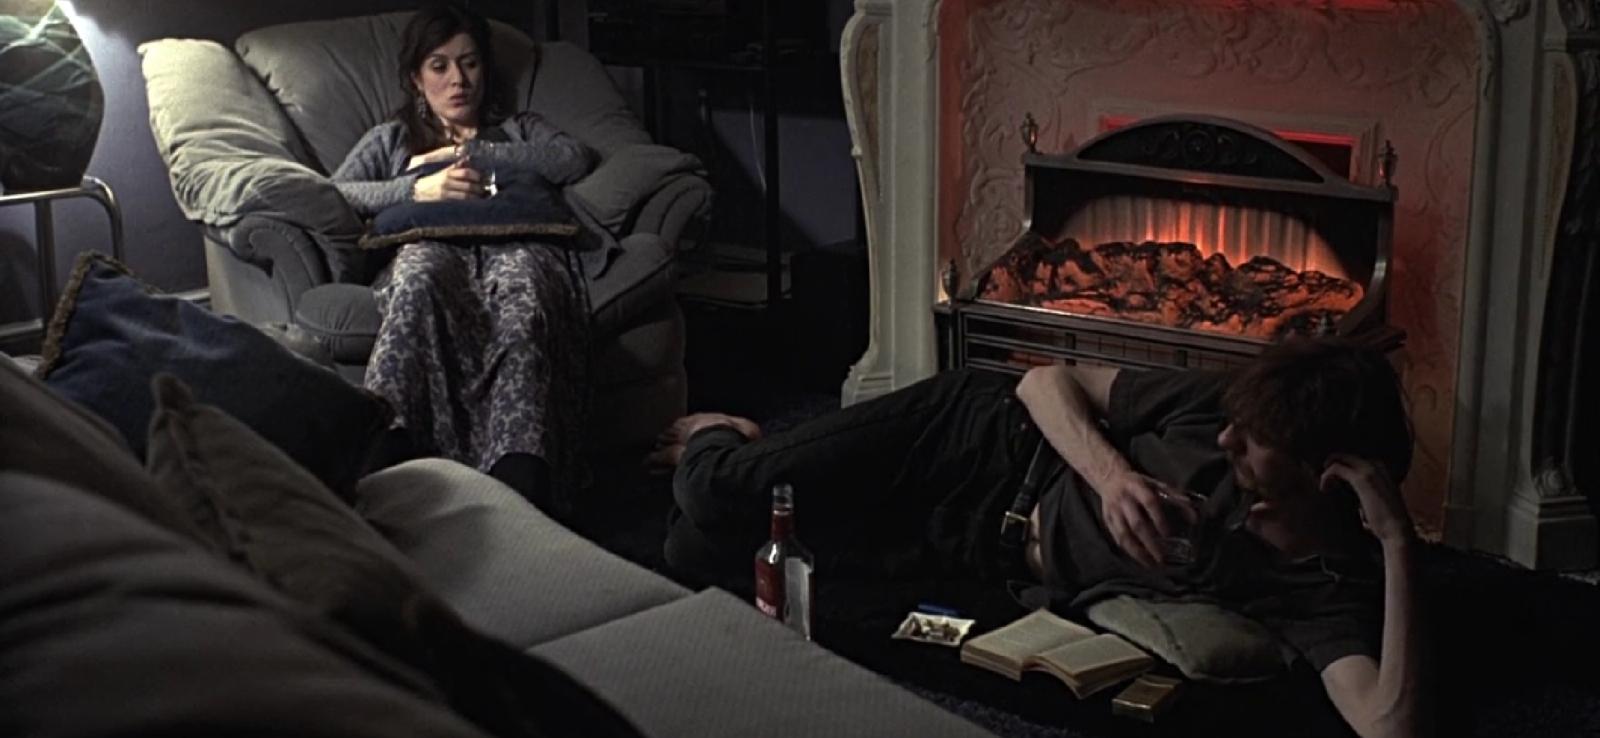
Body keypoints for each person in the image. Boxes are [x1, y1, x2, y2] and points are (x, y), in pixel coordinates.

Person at [653, 338, 1424, 738]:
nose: (1226, 439)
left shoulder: (1321, 590)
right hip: (974, 440)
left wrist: (1397, 541)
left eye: (1253, 446)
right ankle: (723, 430)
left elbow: (1387, 726)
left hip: (970, 557)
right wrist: (1112, 478)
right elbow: (1042, 381)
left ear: (1326, 478)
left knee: (698, 552)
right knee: (715, 491)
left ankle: (762, 463)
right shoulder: (1226, 407)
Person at [331, 4, 595, 511]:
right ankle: (388, 459)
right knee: (418, 281)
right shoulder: (392, 139)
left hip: (517, 245)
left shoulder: (517, 129)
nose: (458, 79)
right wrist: (415, 189)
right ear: (416, 78)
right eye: (440, 66)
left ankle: (521, 480)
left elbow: (572, 159)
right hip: (431, 247)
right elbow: (336, 192)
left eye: (470, 63)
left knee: (524, 297)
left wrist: (472, 154)